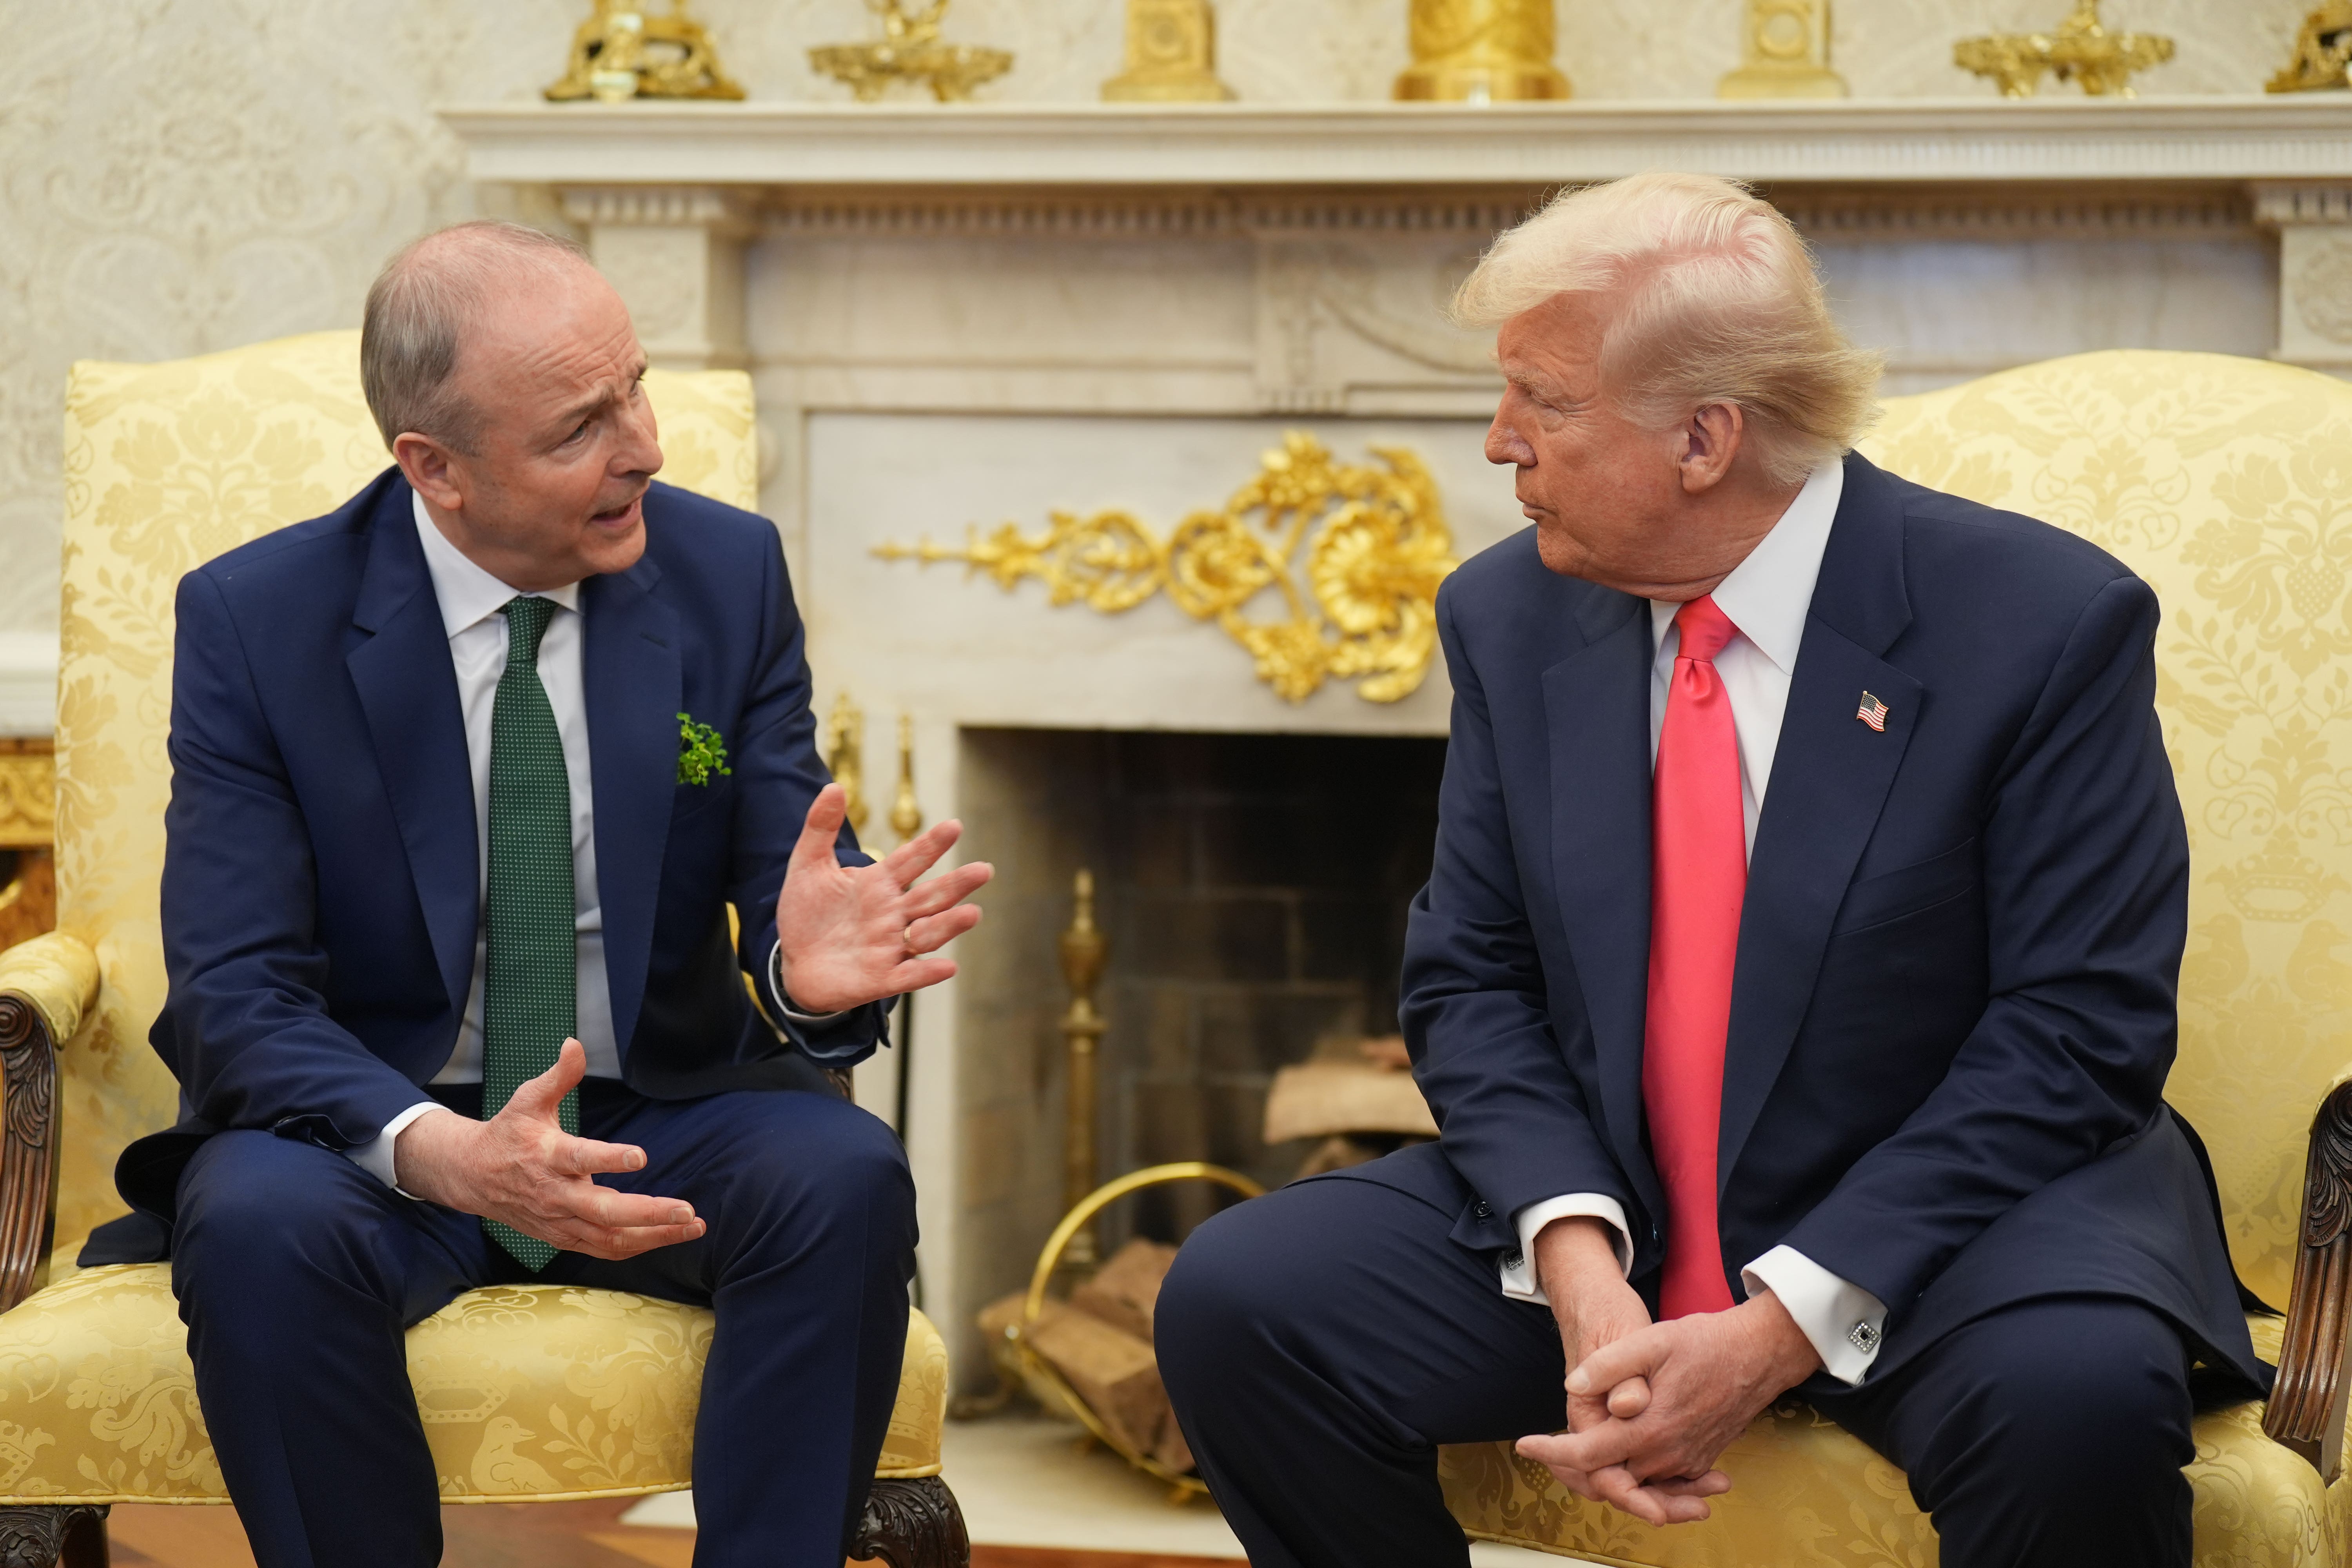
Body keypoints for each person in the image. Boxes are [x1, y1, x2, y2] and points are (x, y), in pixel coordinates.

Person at [1156, 172, 2268, 1568]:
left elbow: (2077, 1030)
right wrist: (1576, 1265)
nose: (1500, 442)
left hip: (1955, 1222)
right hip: (1621, 1203)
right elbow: (1472, 979)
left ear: (1704, 438)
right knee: (1242, 1301)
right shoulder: (1508, 611)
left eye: (1543, 402)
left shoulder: (2042, 623)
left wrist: (1780, 1323)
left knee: (2075, 1406)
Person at [83, 220, 990, 1568]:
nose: (646, 448)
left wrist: (805, 977)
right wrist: (443, 1151)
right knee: (256, 1223)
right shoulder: (260, 622)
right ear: (435, 470)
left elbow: (789, 874)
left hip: (652, 1113)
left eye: (637, 390)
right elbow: (235, 994)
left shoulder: (726, 575)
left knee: (843, 1176)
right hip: (380, 1130)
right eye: (582, 427)